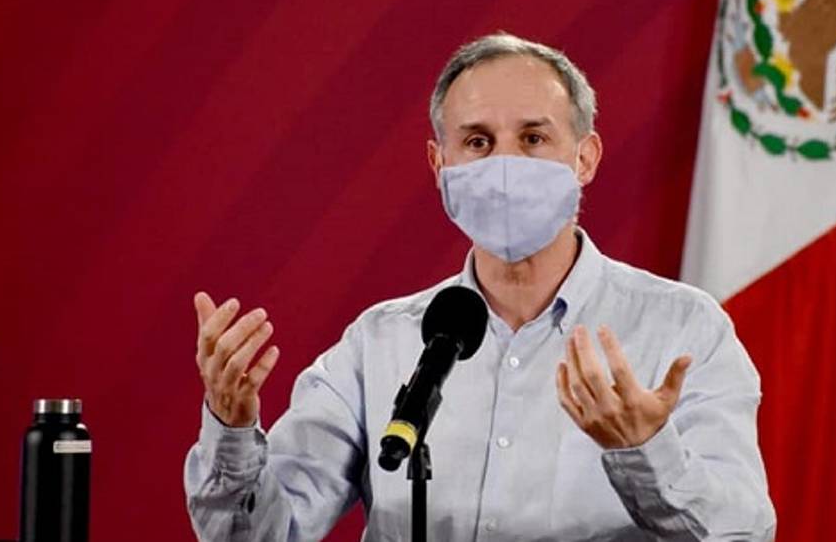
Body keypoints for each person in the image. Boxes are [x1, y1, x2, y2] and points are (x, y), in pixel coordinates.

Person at [184, 33, 776, 541]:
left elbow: (743, 533)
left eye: (533, 138)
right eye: (477, 142)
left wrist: (644, 451)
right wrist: (232, 430)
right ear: (440, 165)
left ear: (585, 157)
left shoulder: (682, 329)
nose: (505, 165)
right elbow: (260, 535)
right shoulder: (379, 343)